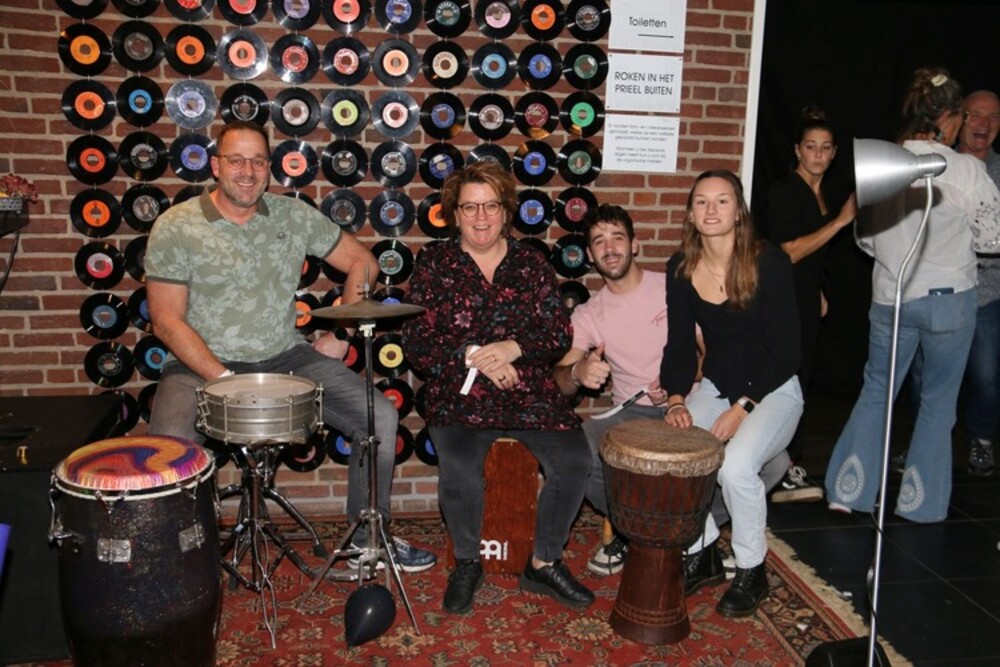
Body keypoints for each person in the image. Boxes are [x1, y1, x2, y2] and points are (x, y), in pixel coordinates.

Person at [144, 120, 436, 572]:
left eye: (258, 161)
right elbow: (166, 322)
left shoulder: (293, 215)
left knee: (379, 415)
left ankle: (368, 540)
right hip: (198, 364)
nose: (248, 172)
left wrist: (340, 334)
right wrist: (224, 380)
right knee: (169, 450)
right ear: (216, 166)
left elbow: (363, 262)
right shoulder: (176, 225)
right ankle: (177, 564)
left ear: (269, 167)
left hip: (285, 356)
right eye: (236, 160)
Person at [552, 203, 790, 582]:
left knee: (774, 461)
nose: (609, 248)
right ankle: (635, 530)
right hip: (632, 414)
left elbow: (712, 353)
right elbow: (559, 383)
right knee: (577, 449)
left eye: (617, 238)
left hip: (691, 403)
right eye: (599, 241)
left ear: (635, 245)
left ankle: (686, 532)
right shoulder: (589, 313)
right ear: (590, 256)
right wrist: (578, 373)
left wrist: (679, 380)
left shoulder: (673, 284)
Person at [401, 161, 594, 615]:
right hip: (461, 392)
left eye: (491, 206)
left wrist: (513, 348)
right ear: (454, 214)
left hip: (527, 390)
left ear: (507, 212)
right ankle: (468, 563)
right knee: (460, 470)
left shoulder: (531, 264)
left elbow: (557, 333)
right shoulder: (435, 264)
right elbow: (418, 342)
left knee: (575, 460)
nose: (481, 217)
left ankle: (544, 562)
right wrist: (476, 356)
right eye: (470, 207)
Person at [825, 67, 1000, 522]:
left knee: (876, 391)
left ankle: (848, 491)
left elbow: (865, 240)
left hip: (892, 297)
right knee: (938, 404)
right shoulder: (966, 169)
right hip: (948, 300)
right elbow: (992, 238)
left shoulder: (881, 163)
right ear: (950, 117)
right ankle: (918, 508)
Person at [661, 169, 804, 617]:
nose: (711, 210)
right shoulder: (681, 268)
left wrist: (742, 410)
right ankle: (702, 551)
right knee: (675, 458)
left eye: (722, 201)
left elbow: (787, 351)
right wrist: (676, 397)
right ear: (690, 213)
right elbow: (679, 344)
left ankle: (751, 570)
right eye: (701, 202)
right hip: (719, 385)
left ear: (739, 211)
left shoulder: (769, 262)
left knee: (735, 467)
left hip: (773, 388)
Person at [767, 106, 857, 503]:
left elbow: (813, 256)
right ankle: (780, 467)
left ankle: (788, 463)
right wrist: (839, 222)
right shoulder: (785, 191)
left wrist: (817, 289)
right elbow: (788, 251)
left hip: (803, 298)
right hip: (782, 302)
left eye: (825, 147)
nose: (818, 154)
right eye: (810, 146)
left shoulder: (822, 193)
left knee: (801, 383)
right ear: (797, 150)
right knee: (786, 384)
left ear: (834, 153)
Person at [957, 90, 1000, 476]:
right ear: (960, 118)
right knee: (922, 377)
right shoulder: (942, 164)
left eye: (993, 117)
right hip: (938, 292)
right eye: (975, 115)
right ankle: (924, 444)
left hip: (988, 294)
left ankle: (982, 441)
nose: (984, 124)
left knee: (986, 376)